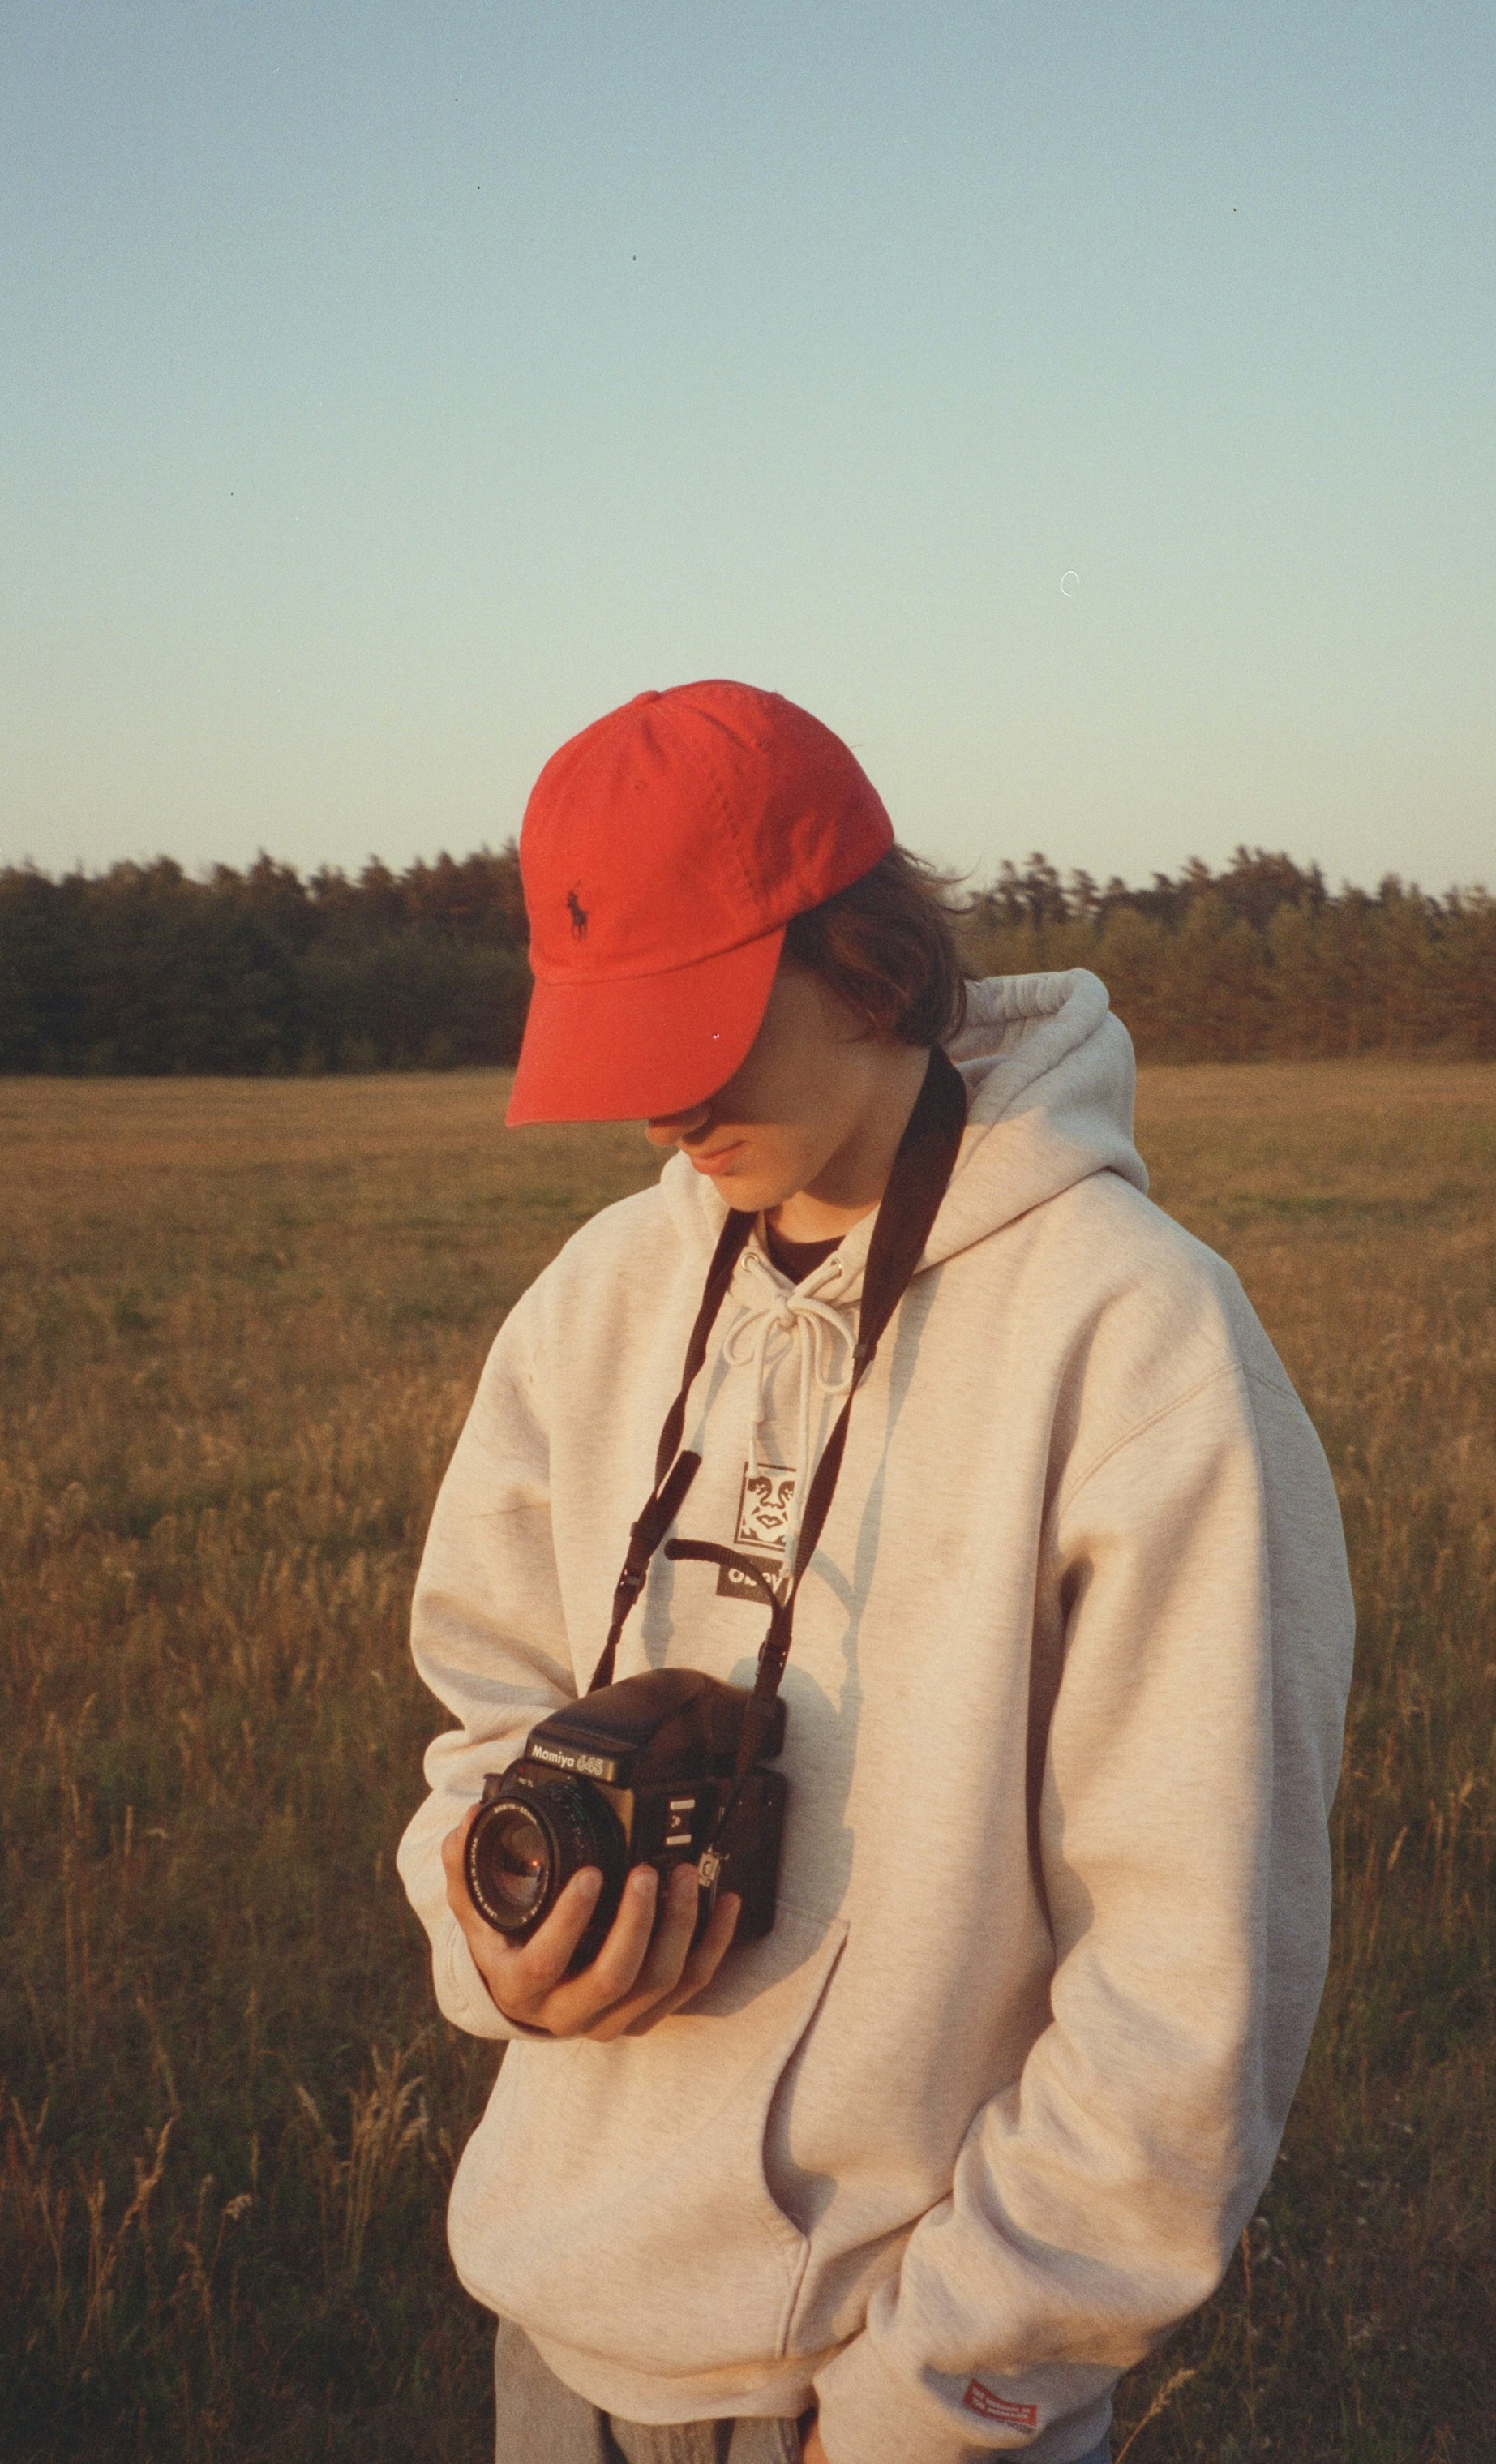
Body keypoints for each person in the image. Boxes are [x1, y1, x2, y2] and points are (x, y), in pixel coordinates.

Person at [397, 680, 1354, 2464]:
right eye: (620, 1039)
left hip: (885, 2388)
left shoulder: (1131, 1340)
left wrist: (936, 2392)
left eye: (693, 1025)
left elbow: (1189, 1975)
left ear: (867, 959)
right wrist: (491, 1928)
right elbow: (480, 1721)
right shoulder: (594, 1302)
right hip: (550, 2342)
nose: (659, 1102)